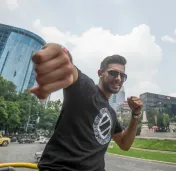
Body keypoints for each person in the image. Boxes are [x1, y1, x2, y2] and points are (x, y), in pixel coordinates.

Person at [29, 43, 143, 171]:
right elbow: (71, 71)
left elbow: (125, 144)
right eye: (113, 73)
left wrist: (135, 114)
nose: (118, 78)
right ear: (100, 73)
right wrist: (59, 54)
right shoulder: (86, 88)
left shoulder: (111, 113)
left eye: (123, 75)